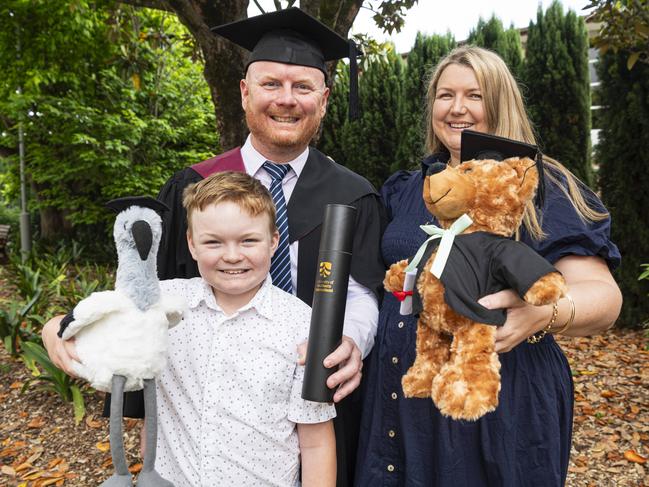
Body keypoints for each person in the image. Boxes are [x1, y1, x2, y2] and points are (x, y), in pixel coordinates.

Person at [42, 8, 385, 486]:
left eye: (303, 87)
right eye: (271, 84)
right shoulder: (193, 189)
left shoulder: (355, 195)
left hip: (316, 395)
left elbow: (365, 289)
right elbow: (149, 293)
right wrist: (63, 323)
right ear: (244, 92)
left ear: (324, 99)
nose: (286, 100)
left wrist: (348, 341)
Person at [355, 46, 623, 487]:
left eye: (474, 96)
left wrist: (544, 313)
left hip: (496, 402)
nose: (457, 108)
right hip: (403, 398)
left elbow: (604, 296)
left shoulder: (539, 186)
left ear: (500, 103)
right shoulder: (409, 188)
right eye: (445, 95)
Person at [46, 171, 338, 486]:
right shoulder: (159, 305)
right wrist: (52, 330)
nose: (232, 255)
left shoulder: (302, 324)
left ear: (273, 241)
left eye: (248, 240)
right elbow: (95, 318)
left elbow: (316, 441)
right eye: (213, 242)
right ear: (192, 244)